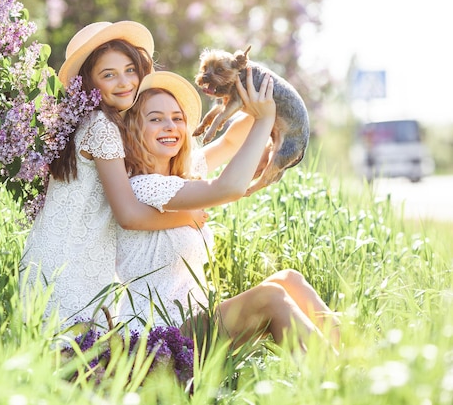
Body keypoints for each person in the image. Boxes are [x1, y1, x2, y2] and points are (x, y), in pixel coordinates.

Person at [116, 71, 340, 352]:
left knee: (289, 280)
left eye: (177, 118)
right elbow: (229, 187)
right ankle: (331, 380)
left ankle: (349, 362)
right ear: (134, 128)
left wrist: (261, 98)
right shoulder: (142, 187)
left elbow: (231, 142)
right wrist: (264, 119)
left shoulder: (182, 175)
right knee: (270, 297)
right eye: (155, 118)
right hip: (156, 336)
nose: (170, 126)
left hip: (189, 322)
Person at [19, 22, 207, 329]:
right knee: (76, 364)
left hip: (63, 258)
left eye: (130, 70)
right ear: (90, 84)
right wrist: (188, 217)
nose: (124, 82)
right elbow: (129, 215)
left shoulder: (91, 124)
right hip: (70, 265)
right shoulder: (102, 127)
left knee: (70, 366)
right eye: (108, 75)